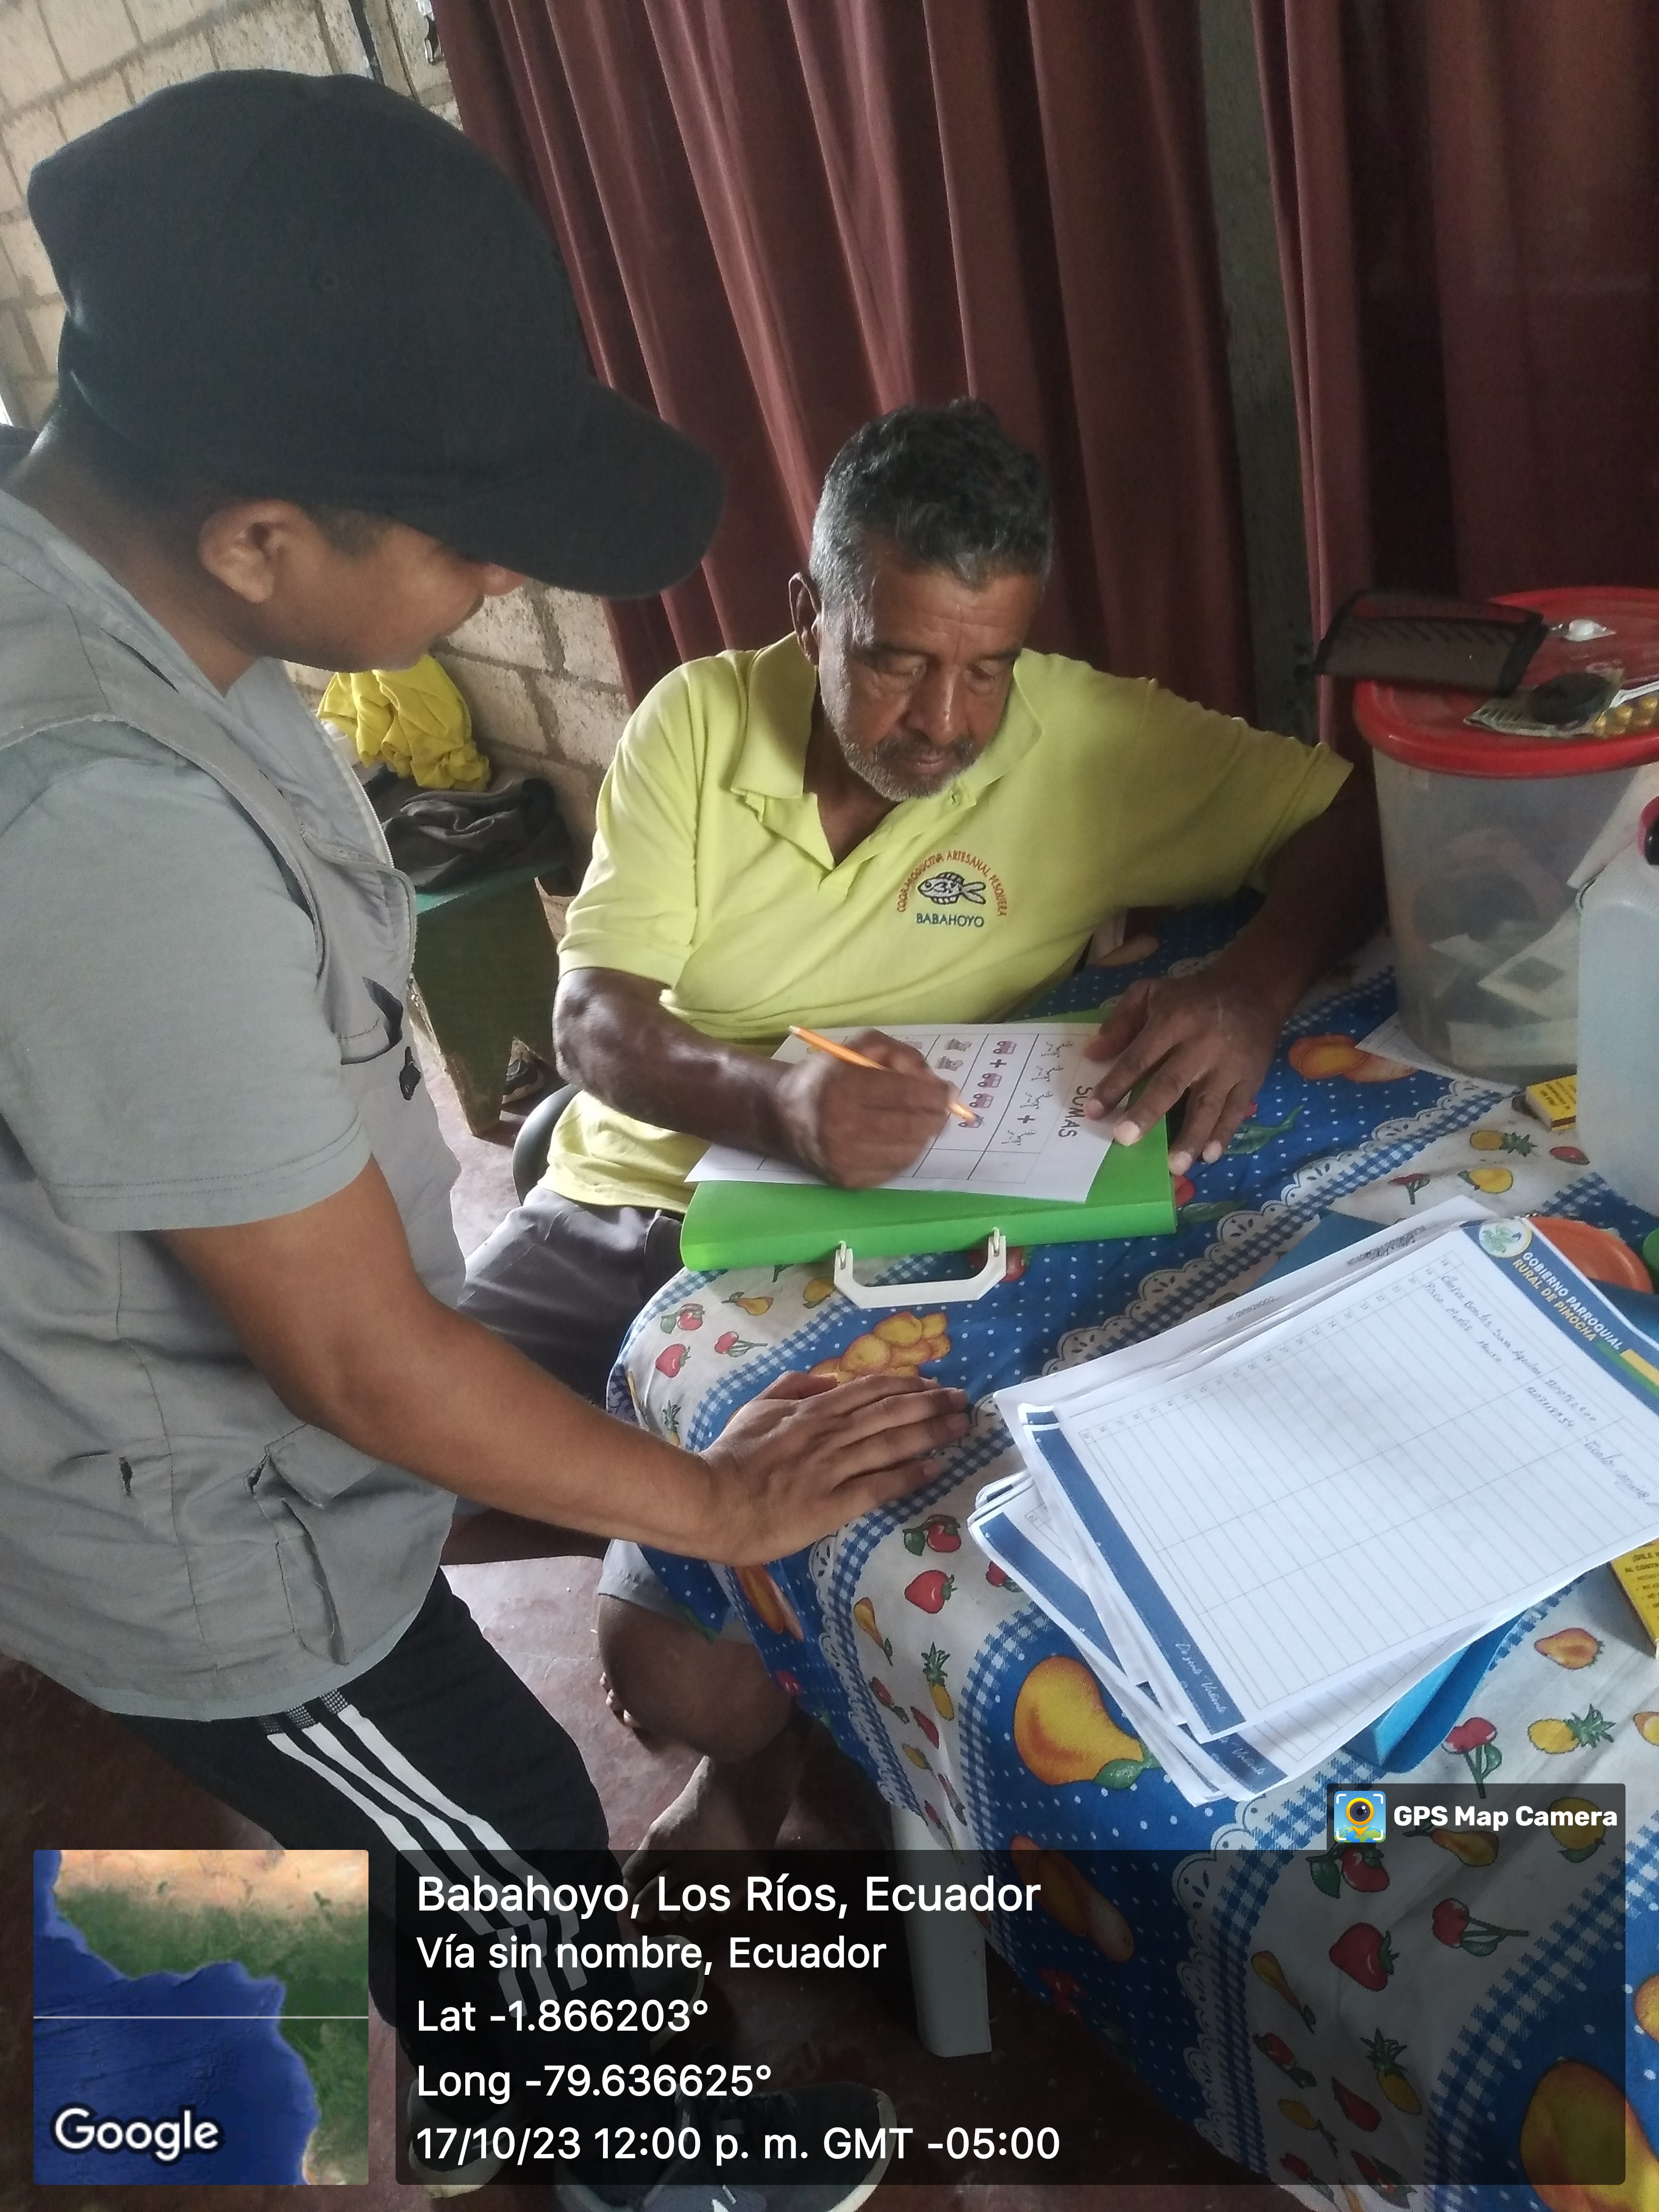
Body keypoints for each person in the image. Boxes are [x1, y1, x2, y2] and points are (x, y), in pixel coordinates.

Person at [0, 72, 969, 2207]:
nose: (498, 575)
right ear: (261, 534)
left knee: (425, 1825)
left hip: (196, 1447)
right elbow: (353, 1356)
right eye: (465, 545)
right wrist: (717, 1497)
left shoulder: (132, 597)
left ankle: (492, 2081)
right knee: (496, 1838)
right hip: (209, 1545)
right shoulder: (106, 817)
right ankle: (647, 2158)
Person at [462, 398, 1384, 1864]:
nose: (947, 724)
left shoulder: (1089, 738)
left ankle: (757, 1723)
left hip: (888, 1245)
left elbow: (1357, 813)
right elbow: (592, 1025)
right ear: (811, 617)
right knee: (361, 1487)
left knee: (695, 1675)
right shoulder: (696, 722)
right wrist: (779, 1104)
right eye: (897, 660)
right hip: (633, 1200)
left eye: (988, 669)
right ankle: (692, 1547)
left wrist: (1251, 986)